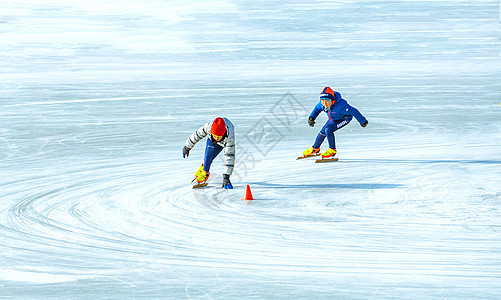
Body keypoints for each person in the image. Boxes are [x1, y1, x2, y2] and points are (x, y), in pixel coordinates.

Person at [303, 87, 368, 158]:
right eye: (322, 101)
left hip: (344, 119)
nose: (324, 103)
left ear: (332, 100)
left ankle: (332, 150)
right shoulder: (322, 104)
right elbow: (317, 109)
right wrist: (311, 118)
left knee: (328, 130)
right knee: (322, 132)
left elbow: (354, 111)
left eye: (327, 101)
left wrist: (363, 121)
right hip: (333, 118)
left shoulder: (341, 105)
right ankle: (315, 148)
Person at [183, 117, 235, 189]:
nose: (217, 138)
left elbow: (229, 156)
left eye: (219, 136)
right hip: (211, 140)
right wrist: (187, 147)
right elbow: (196, 135)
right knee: (208, 155)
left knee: (211, 157)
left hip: (223, 143)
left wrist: (226, 176)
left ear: (223, 134)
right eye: (215, 136)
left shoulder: (229, 138)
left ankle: (205, 166)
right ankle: (205, 171)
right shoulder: (208, 127)